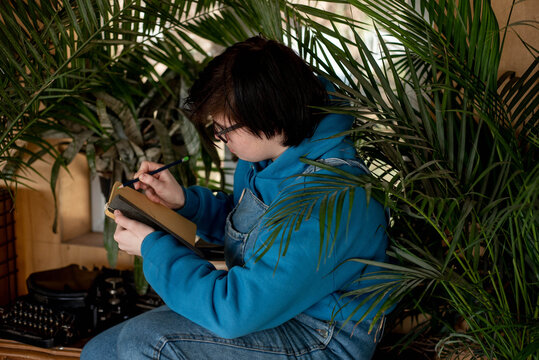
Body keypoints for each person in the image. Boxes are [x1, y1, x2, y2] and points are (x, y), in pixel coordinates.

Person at [81, 36, 390, 360]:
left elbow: (233, 311)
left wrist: (152, 248)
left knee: (146, 342)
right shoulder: (269, 155)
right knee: (98, 352)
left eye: (224, 130)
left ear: (268, 119)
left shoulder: (327, 200)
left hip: (321, 337)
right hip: (269, 309)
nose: (219, 138)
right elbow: (252, 225)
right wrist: (187, 204)